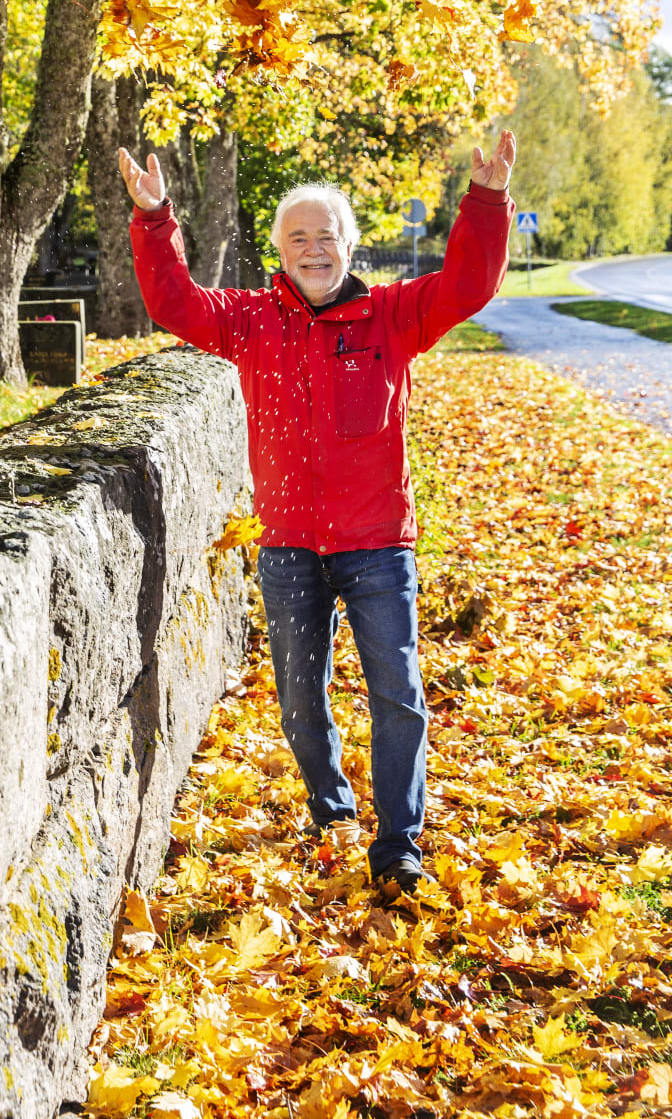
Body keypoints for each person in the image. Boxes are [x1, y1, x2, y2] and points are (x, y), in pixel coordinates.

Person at [117, 135, 516, 893]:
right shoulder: (252, 321)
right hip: (290, 547)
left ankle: (399, 842)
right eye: (296, 238)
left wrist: (487, 200)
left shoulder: (392, 317)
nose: (312, 250)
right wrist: (152, 217)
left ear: (348, 245)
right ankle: (332, 810)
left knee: (397, 696)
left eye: (324, 236)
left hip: (376, 548)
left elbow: (468, 284)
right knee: (302, 703)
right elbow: (173, 303)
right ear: (280, 251)